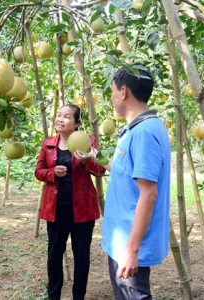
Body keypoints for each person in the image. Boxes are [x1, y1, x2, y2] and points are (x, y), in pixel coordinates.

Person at [100, 66, 171, 299]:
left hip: (128, 245)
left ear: (123, 92)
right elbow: (125, 171)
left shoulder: (144, 133)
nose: (112, 98)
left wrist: (131, 249)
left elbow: (149, 194)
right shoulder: (138, 128)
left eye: (112, 92)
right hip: (122, 240)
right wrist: (94, 157)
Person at [34, 104, 106, 300]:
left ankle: (78, 296)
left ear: (76, 123)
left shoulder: (88, 142)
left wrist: (86, 161)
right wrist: (52, 173)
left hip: (82, 210)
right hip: (56, 210)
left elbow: (101, 170)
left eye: (66, 117)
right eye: (59, 115)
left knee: (81, 256)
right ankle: (53, 295)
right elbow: (38, 171)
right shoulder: (48, 144)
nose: (60, 119)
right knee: (54, 254)